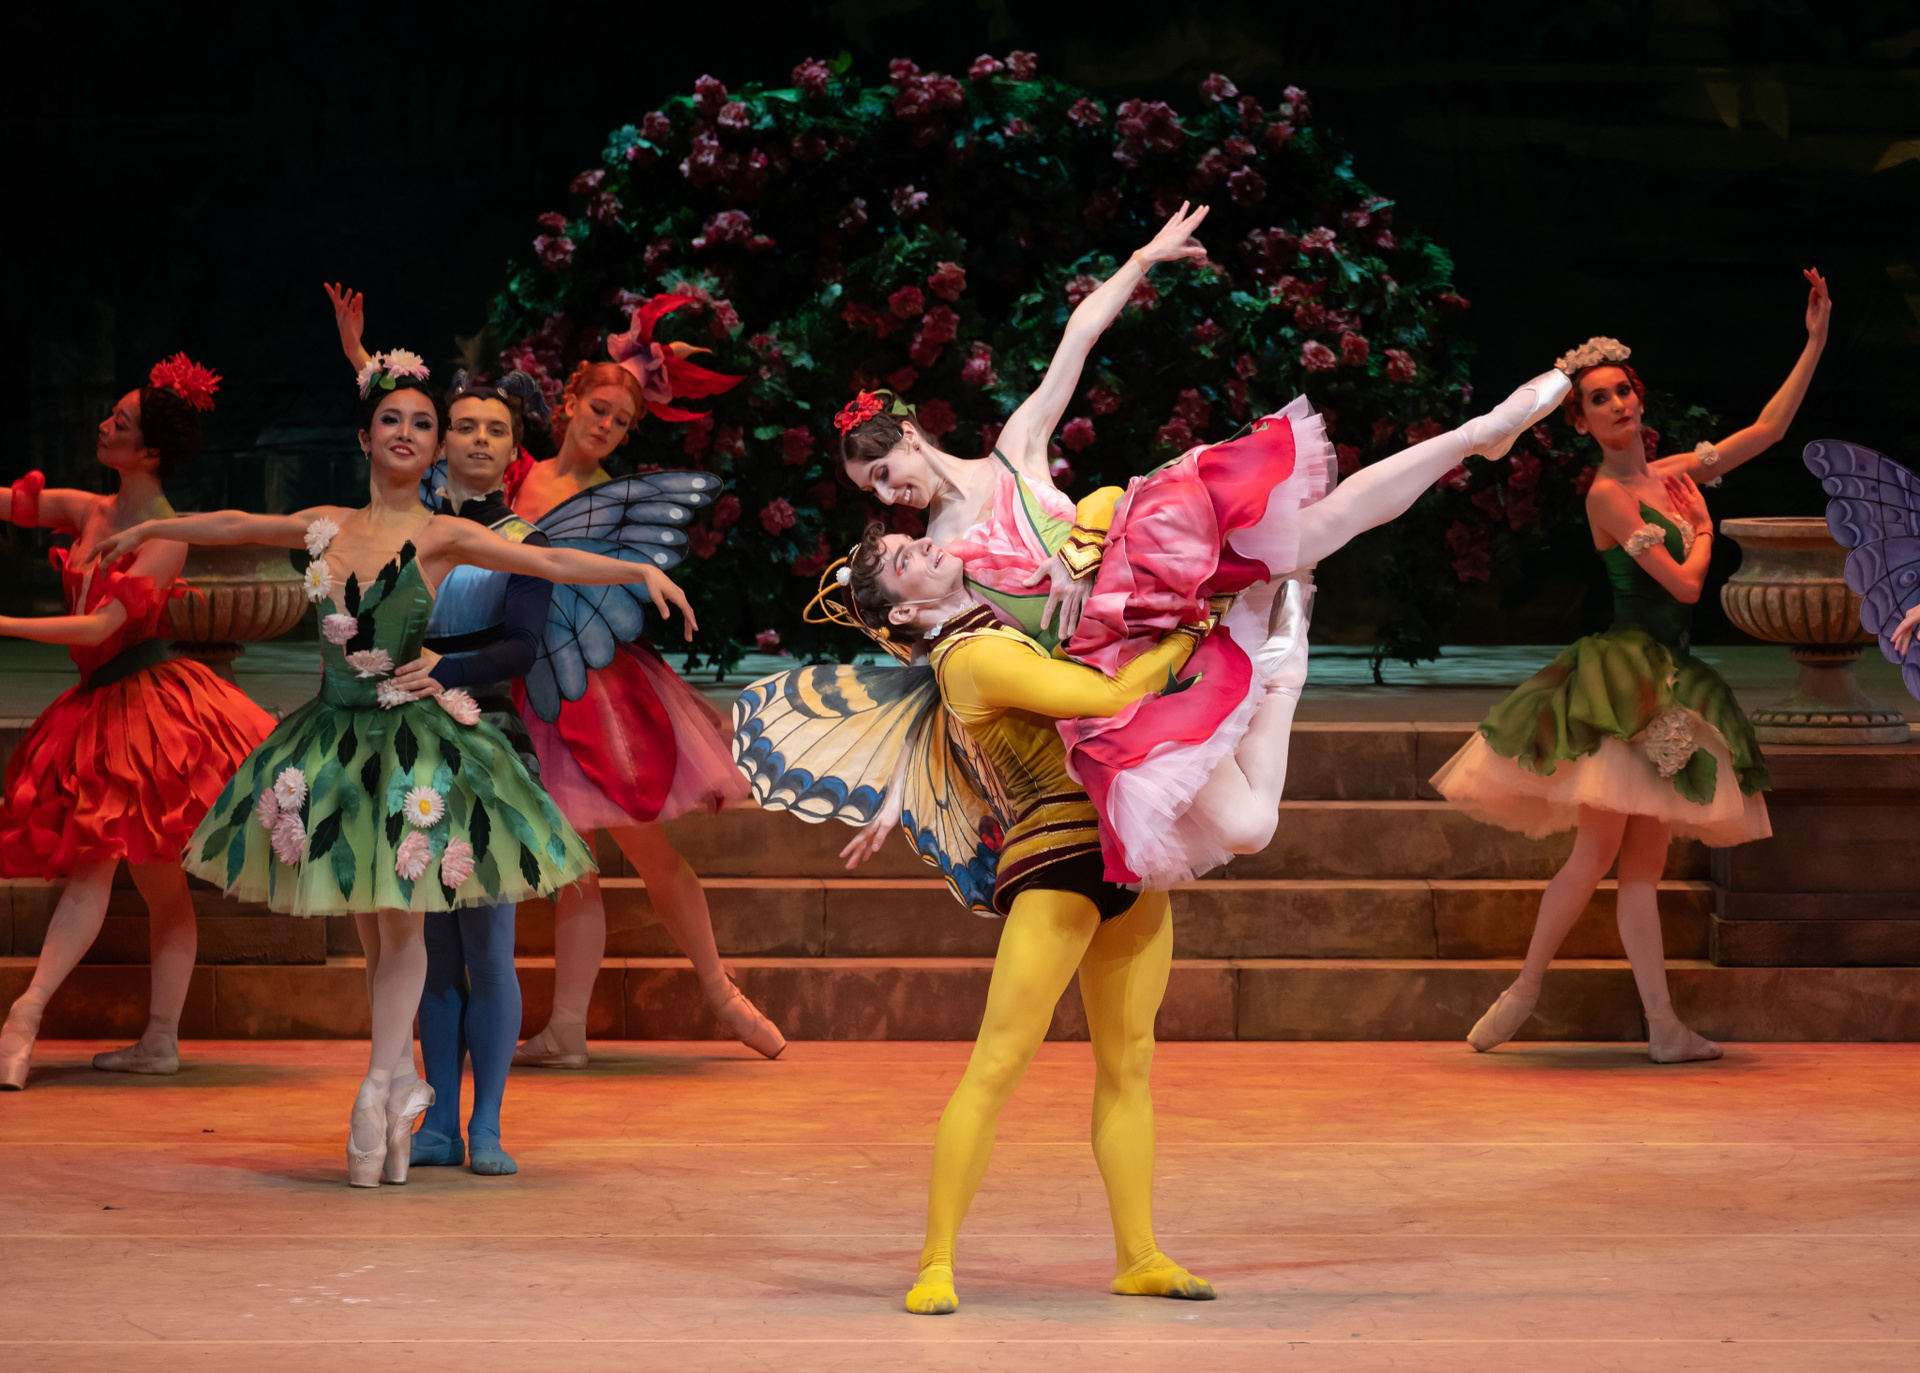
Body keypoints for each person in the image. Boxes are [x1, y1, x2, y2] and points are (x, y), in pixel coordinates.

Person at [92, 349, 695, 1185]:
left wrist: (637, 568)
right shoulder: (326, 523)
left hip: (417, 743)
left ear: (433, 446)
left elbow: (552, 564)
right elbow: (233, 525)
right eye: (392, 420)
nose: (407, 432)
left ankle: (400, 1092)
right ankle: (399, 1081)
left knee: (419, 927)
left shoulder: (445, 533)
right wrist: (151, 529)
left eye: (420, 422)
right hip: (336, 746)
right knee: (378, 926)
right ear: (366, 437)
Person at [323, 284, 780, 1066]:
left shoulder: (606, 501)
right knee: (574, 867)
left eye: (622, 422)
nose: (606, 426)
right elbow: (422, 424)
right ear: (569, 403)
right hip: (513, 685)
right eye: (598, 410)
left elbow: (588, 578)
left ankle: (720, 988)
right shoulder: (513, 471)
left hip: (586, 686)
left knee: (651, 851)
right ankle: (568, 1024)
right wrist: (359, 354)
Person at [813, 551, 1232, 1313]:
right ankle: (935, 1262)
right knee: (999, 1062)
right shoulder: (971, 656)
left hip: (1126, 850)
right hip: (1058, 860)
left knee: (1131, 1059)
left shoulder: (1000, 626)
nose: (925, 547)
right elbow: (1106, 696)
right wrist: (1190, 635)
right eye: (906, 558)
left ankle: (1139, 1254)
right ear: (903, 612)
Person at [1432, 269, 1831, 1063]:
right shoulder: (1607, 496)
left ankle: (1663, 1025)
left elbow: (1766, 430)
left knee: (1642, 864)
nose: (1618, 404)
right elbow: (1685, 585)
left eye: (1623, 391)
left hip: (1673, 690)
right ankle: (1525, 990)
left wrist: (1814, 340)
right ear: (1580, 420)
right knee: (1595, 853)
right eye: (1599, 398)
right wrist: (1704, 531)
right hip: (1623, 688)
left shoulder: (1671, 474)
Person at [0, 355, 277, 1089]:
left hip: (148, 712)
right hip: (97, 704)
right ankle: (154, 1039)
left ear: (149, 451)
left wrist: (4, 623)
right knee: (152, 881)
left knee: (121, 870)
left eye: (119, 422)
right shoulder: (88, 509)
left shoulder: (167, 534)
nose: (103, 425)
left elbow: (99, 629)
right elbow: (13, 504)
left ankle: (29, 1014)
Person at [402, 371, 556, 1175]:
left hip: (488, 742)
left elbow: (523, 647)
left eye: (495, 429)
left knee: (489, 944)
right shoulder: (409, 529)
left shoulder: (525, 540)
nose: (480, 440)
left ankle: (487, 1121)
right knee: (433, 946)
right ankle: (438, 1123)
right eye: (465, 426)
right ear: (441, 440)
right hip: (412, 742)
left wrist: (445, 668)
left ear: (512, 448)